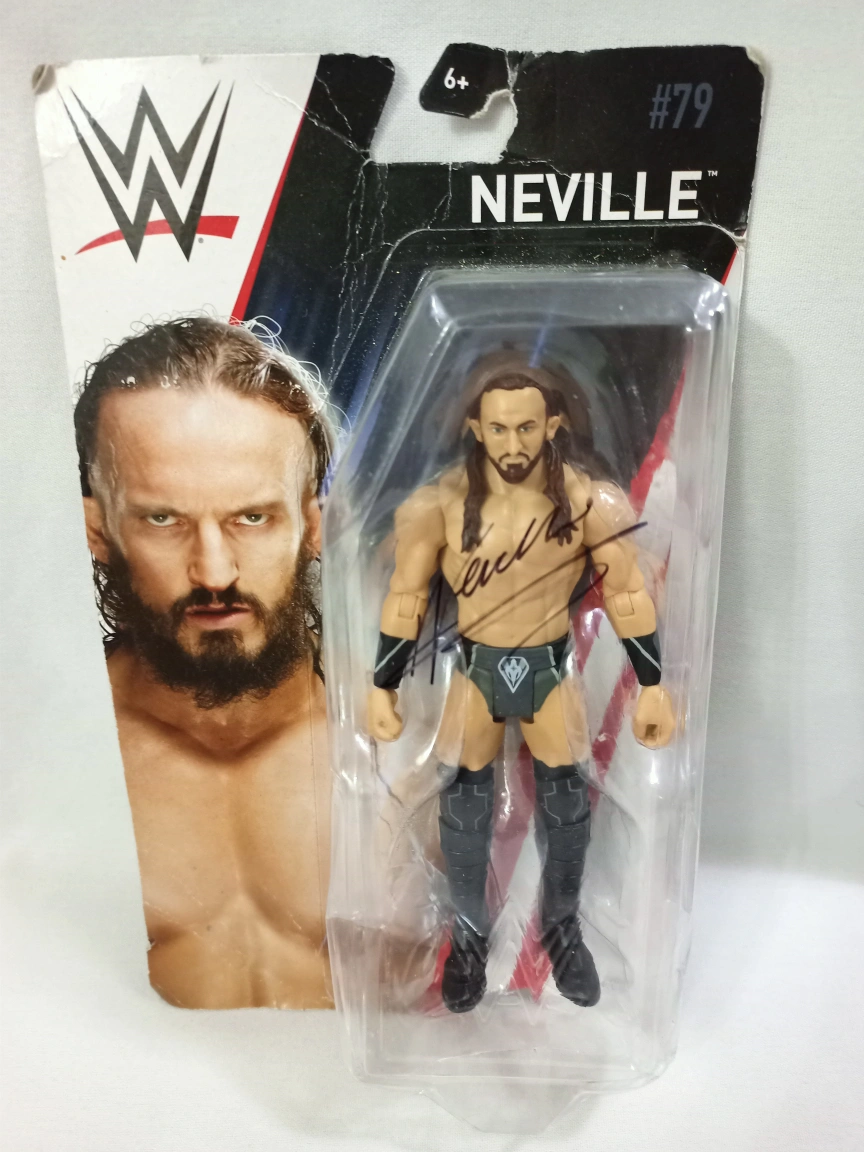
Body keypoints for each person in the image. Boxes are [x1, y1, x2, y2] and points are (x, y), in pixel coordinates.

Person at [368, 353, 676, 1013]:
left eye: (527, 428)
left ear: (553, 425)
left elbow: (626, 593)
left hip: (549, 666)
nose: (514, 444)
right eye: (500, 429)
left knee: (566, 805)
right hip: (476, 667)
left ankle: (561, 929)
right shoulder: (438, 507)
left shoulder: (589, 503)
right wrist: (381, 685)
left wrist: (652, 685)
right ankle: (469, 936)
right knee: (464, 806)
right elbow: (405, 598)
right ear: (476, 427)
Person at [74, 317, 334, 1009]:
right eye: (163, 520)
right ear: (99, 531)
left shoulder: (412, 745)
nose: (214, 572)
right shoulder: (43, 764)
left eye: (253, 518)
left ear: (312, 525)